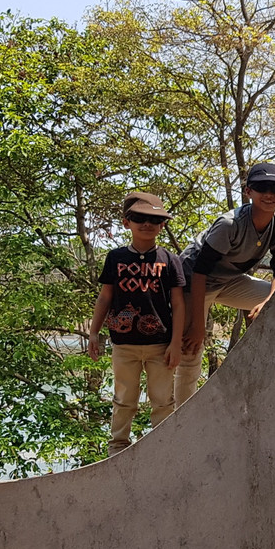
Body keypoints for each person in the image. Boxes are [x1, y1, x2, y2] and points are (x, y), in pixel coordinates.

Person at [175, 163, 275, 405]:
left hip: (229, 281)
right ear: (249, 191)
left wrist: (269, 302)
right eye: (261, 187)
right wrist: (198, 326)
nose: (269, 194)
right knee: (190, 350)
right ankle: (180, 416)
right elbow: (199, 272)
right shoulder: (230, 224)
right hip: (194, 283)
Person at [88, 192, 186, 457]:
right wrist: (94, 332)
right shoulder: (116, 258)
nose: (147, 224)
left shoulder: (169, 259)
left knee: (163, 400)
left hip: (160, 345)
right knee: (124, 399)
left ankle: (164, 448)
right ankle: (118, 447)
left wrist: (176, 343)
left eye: (154, 219)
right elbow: (105, 296)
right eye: (139, 218)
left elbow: (177, 304)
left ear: (163, 225)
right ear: (126, 222)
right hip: (124, 344)